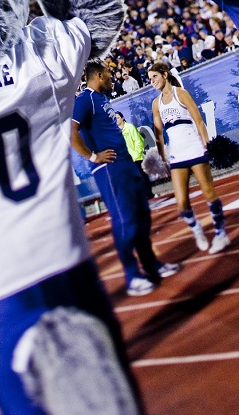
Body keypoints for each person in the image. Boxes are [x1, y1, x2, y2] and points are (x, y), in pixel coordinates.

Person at [72, 61, 180, 296]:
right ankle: (132, 276)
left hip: (125, 163)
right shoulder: (85, 99)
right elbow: (71, 132)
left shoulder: (102, 99)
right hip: (109, 169)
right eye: (109, 73)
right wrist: (93, 156)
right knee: (125, 220)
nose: (113, 78)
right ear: (98, 75)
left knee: (142, 214)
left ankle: (151, 264)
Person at [148, 62, 229, 254]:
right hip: (177, 154)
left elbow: (199, 121)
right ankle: (197, 230)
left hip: (194, 147)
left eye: (155, 77)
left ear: (165, 75)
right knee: (182, 202)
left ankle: (220, 233)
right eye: (150, 79)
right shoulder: (156, 103)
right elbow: (158, 133)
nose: (152, 82)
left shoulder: (181, 94)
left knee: (209, 193)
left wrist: (207, 145)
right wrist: (161, 157)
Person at [115, 111, 154, 198]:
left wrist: (137, 152)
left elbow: (138, 140)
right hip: (126, 159)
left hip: (136, 157)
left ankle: (149, 194)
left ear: (122, 118)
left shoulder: (130, 127)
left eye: (117, 118)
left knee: (142, 176)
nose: (116, 120)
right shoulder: (115, 131)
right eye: (114, 118)